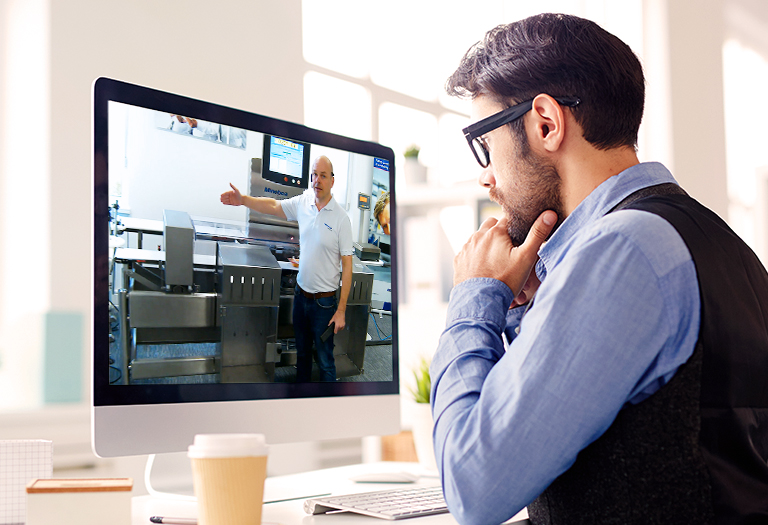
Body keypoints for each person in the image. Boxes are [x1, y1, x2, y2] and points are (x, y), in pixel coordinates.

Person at [430, 13, 768, 525]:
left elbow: (473, 490)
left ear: (545, 122)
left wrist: (475, 294)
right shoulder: (710, 239)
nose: (486, 176)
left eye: (486, 142)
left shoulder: (621, 250)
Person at [220, 155, 353, 382]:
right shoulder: (304, 202)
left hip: (324, 303)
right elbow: (273, 206)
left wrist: (341, 310)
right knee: (301, 354)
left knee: (324, 360)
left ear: (332, 180)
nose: (317, 180)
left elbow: (347, 265)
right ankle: (300, 401)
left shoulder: (342, 219)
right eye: (314, 175)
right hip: (301, 297)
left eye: (323, 175)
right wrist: (244, 200)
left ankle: (330, 407)